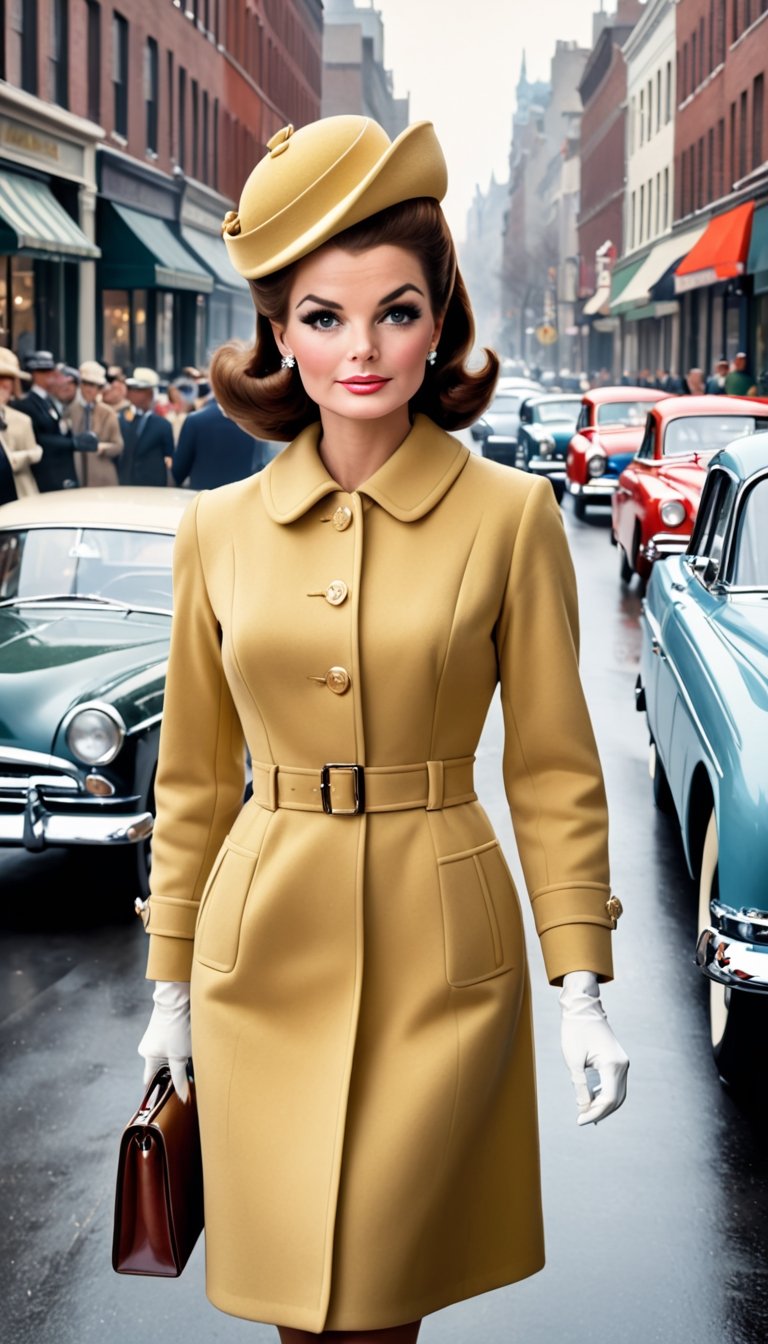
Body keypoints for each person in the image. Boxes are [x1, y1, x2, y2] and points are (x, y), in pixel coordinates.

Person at [136, 115, 629, 1344]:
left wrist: (582, 983)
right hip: (263, 949)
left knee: (378, 1306)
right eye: (323, 316)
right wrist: (166, 991)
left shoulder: (510, 519)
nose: (362, 349)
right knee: (299, 1301)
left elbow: (555, 766)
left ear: (440, 319)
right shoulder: (216, 534)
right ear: (277, 332)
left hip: (438, 947)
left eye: (396, 312)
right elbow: (192, 784)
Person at [12, 351, 97, 491]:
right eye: (45, 371)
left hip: (60, 472)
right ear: (35, 375)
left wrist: (74, 440)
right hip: (45, 475)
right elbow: (36, 439)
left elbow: (58, 428)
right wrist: (72, 443)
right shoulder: (26, 404)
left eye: (51, 371)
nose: (51, 375)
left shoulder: (49, 400)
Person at [171, 396, 269, 489]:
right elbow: (262, 465)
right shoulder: (257, 422)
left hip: (203, 500)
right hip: (245, 500)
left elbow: (178, 473)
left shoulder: (195, 420)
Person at [69, 360, 124, 486]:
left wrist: (102, 448)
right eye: (87, 384)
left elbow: (118, 445)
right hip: (76, 475)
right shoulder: (70, 411)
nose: (91, 389)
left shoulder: (108, 413)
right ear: (80, 384)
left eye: (96, 386)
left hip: (102, 476)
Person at [117, 367, 173, 486]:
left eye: (137, 389)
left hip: (153, 487)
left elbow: (170, 458)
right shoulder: (120, 417)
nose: (130, 392)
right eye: (130, 388)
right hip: (124, 485)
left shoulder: (163, 425)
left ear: (149, 393)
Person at [0, 349, 42, 500]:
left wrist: (24, 456)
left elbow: (35, 456)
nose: (3, 385)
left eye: (7, 379)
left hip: (18, 496)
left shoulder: (22, 420)